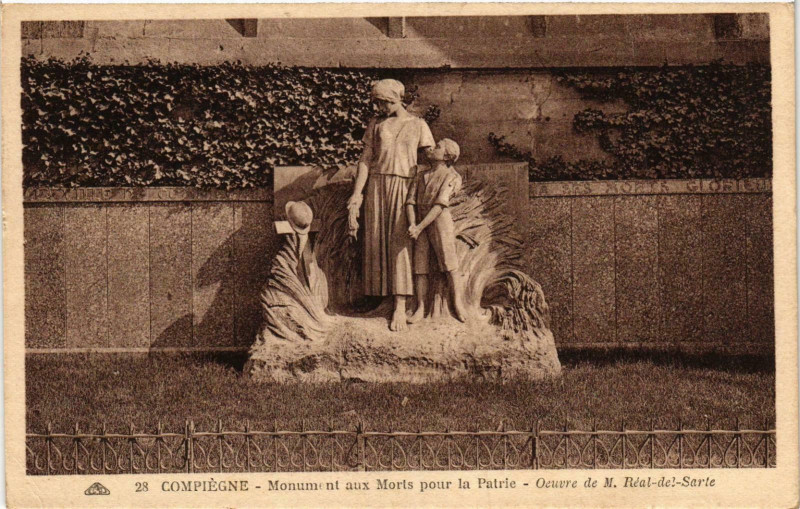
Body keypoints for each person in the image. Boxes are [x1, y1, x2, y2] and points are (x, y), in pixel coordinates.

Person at [347, 79, 435, 331]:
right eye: (376, 102)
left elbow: (431, 160)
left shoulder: (418, 125)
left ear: (395, 99)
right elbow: (365, 160)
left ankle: (400, 306)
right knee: (376, 243)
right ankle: (382, 300)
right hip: (377, 186)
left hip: (405, 187)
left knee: (400, 244)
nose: (378, 106)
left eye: (381, 102)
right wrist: (357, 193)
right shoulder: (375, 124)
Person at [406, 138, 467, 323]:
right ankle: (420, 307)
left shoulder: (452, 177)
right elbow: (410, 202)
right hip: (419, 224)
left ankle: (458, 305)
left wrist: (419, 227)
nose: (432, 148)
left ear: (447, 156)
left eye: (438, 147)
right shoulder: (420, 176)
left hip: (439, 221)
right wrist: (412, 224)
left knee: (449, 263)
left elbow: (440, 204)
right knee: (420, 266)